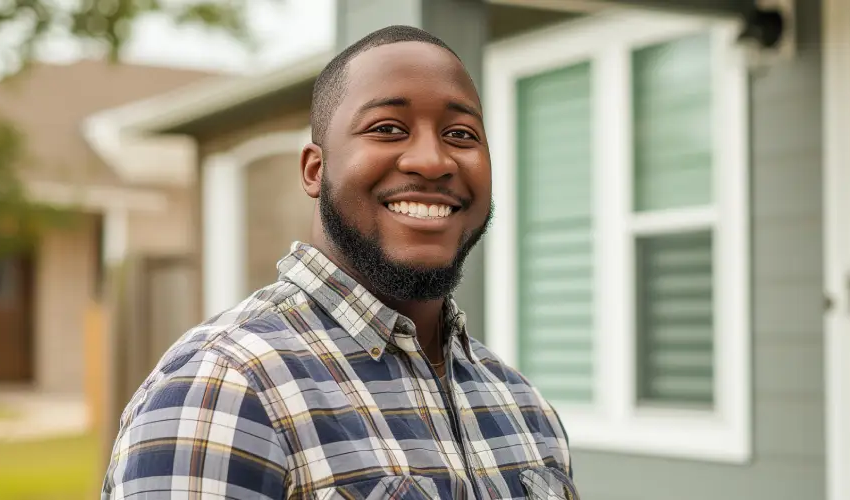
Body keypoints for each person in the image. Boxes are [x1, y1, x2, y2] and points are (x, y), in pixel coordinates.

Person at [101, 25, 576, 500]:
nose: (433, 161)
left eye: (460, 134)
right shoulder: (227, 389)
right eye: (387, 129)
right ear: (315, 169)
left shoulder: (524, 408)